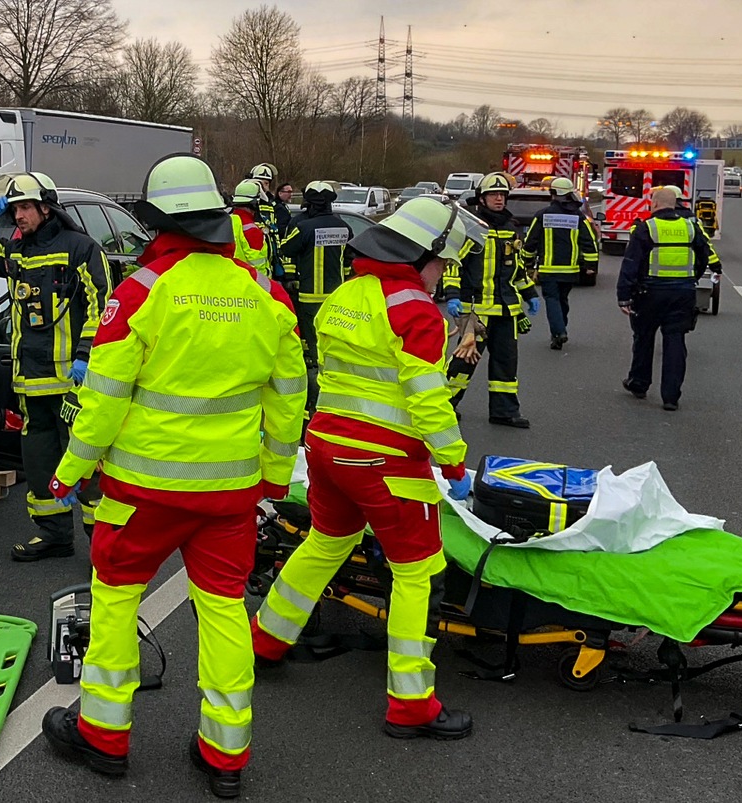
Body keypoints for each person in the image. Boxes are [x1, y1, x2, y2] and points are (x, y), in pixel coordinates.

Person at [39, 154, 306, 799]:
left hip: (142, 492)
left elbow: (104, 397)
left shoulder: (141, 292)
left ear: (157, 220)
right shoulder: (265, 294)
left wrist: (69, 472)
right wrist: (271, 476)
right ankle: (225, 751)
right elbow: (290, 395)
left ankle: (104, 737)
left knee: (114, 602)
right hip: (228, 496)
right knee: (223, 614)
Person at [251, 196, 477, 742]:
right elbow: (425, 398)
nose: (442, 274)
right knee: (417, 571)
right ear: (421, 256)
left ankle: (267, 640)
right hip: (386, 462)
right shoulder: (415, 310)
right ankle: (411, 702)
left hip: (327, 447)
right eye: (441, 263)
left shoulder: (346, 295)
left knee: (325, 543)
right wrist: (452, 458)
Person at [0, 172, 112, 560]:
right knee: (40, 462)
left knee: (85, 464)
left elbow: (103, 305)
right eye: (13, 209)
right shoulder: (15, 250)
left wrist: (86, 355)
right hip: (31, 380)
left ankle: (106, 550)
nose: (18, 215)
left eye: (24, 207)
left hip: (73, 381)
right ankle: (54, 535)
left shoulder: (81, 248)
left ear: (46, 207)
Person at [444, 172, 538, 428]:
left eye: (502, 195)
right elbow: (453, 265)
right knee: (464, 363)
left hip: (506, 310)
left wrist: (530, 294)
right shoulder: (472, 228)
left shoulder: (511, 228)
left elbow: (516, 269)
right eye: (493, 195)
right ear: (482, 199)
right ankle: (443, 406)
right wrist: (453, 297)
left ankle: (505, 412)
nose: (499, 199)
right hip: (475, 310)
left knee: (506, 365)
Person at [617, 186, 720, 411]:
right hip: (682, 293)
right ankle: (671, 397)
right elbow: (703, 257)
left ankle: (639, 384)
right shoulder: (690, 227)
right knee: (675, 341)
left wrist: (624, 297)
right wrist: (691, 277)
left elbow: (631, 264)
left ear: (654, 204)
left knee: (643, 338)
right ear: (675, 204)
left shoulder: (646, 228)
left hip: (649, 293)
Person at [278, 180, 354, 411]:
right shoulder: (344, 228)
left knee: (312, 347)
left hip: (310, 298)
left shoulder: (304, 228)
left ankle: (315, 398)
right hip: (337, 299)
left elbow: (285, 249)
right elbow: (349, 262)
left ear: (309, 203)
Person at [519, 176, 599, 349]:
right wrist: (590, 266)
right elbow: (589, 242)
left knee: (552, 300)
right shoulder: (578, 217)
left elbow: (530, 241)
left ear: (553, 193)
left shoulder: (542, 215)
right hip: (571, 271)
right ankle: (559, 332)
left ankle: (559, 331)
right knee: (562, 300)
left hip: (548, 270)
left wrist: (525, 263)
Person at [666, 185, 722, 273]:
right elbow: (704, 243)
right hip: (685, 275)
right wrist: (715, 265)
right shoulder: (690, 218)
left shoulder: (653, 220)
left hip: (655, 278)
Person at [247, 163, 285, 280]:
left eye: (267, 183)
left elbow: (274, 231)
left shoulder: (271, 203)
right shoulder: (248, 202)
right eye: (263, 183)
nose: (265, 187)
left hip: (269, 259)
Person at [228, 180, 270, 276]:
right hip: (249, 284)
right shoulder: (252, 230)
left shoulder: (227, 222)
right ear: (255, 204)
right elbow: (258, 266)